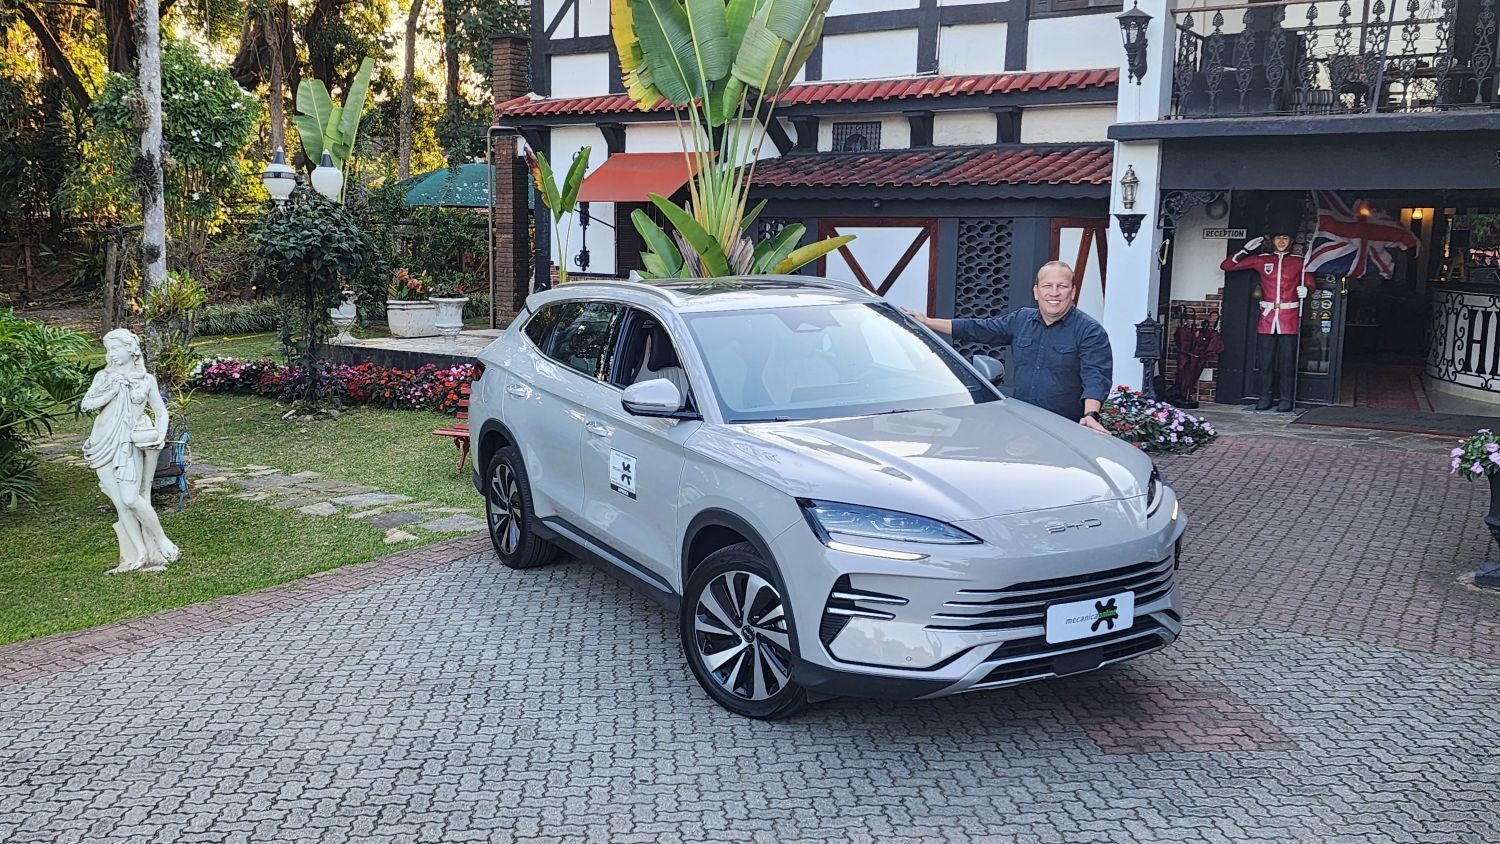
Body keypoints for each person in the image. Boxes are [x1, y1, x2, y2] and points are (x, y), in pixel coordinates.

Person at [903, 261, 1112, 432]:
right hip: (1023, 426)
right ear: (1036, 292)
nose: (1054, 293)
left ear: (1073, 291)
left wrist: (1090, 415)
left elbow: (1096, 376)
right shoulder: (1021, 319)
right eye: (1047, 286)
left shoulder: (1089, 331)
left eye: (1062, 286)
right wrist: (927, 322)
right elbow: (978, 329)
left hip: (1065, 429)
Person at [81, 329, 180, 573]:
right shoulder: (104, 377)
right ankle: (137, 555)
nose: (111, 354)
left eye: (115, 348)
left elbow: (161, 412)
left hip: (128, 442)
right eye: (108, 350)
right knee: (120, 503)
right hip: (101, 441)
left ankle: (162, 540)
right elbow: (87, 405)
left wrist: (159, 436)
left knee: (131, 497)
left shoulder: (146, 379)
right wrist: (112, 390)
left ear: (130, 349)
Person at [1220, 231, 1309, 412]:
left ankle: (1286, 398)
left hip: (1289, 318)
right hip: (1267, 318)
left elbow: (1309, 282)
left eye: (1285, 238)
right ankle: (1265, 397)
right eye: (1278, 237)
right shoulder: (1262, 260)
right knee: (1265, 362)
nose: (1281, 241)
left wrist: (1307, 289)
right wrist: (1245, 250)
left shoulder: (1299, 262)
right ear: (1273, 240)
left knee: (1287, 362)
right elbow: (1227, 265)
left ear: (1291, 241)